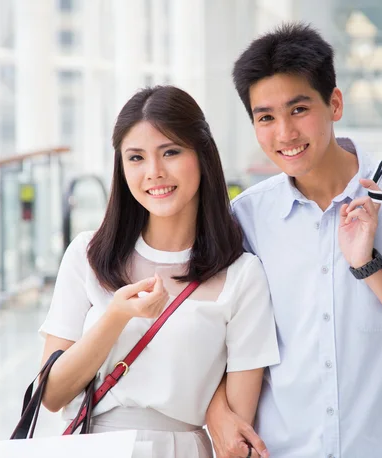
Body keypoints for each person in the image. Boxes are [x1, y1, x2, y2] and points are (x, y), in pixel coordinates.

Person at [206, 23, 382, 458]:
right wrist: (216, 413)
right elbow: (211, 342)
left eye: (299, 109)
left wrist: (369, 268)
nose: (285, 134)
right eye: (266, 118)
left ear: (334, 103)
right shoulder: (247, 219)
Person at [38, 85, 280, 458]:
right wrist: (116, 316)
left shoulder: (241, 275)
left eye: (170, 152)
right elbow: (52, 395)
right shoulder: (87, 255)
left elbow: (236, 423)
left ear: (201, 156)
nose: (154, 172)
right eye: (136, 158)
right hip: (90, 445)